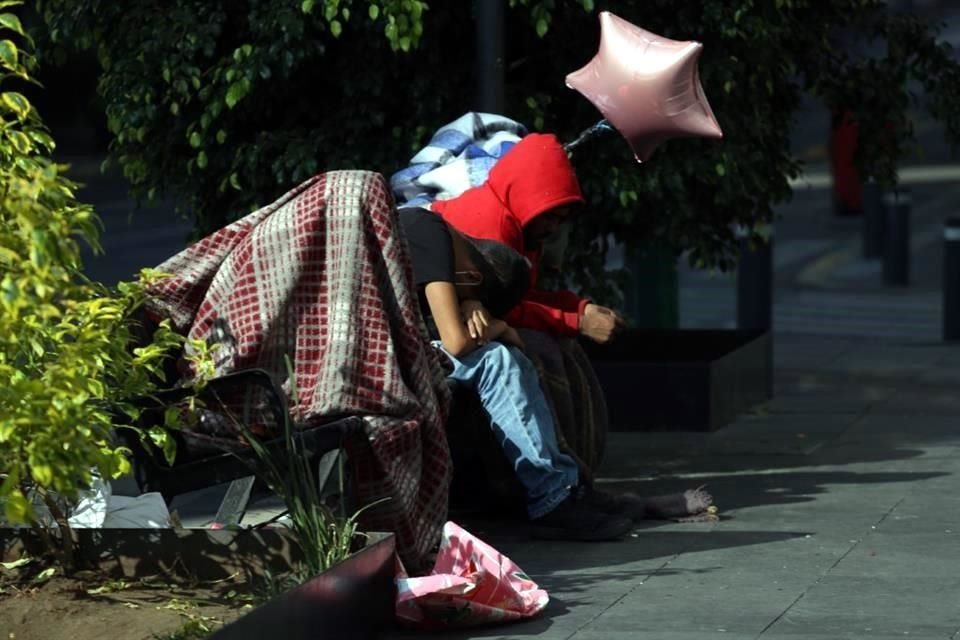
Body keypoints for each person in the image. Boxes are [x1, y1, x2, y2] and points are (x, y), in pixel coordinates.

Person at [429, 132, 715, 521]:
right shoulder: (484, 224)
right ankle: (550, 491)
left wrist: (578, 310)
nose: (556, 224)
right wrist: (570, 320)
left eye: (563, 215)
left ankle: (567, 485)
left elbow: (510, 304)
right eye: (552, 214)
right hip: (442, 337)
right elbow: (472, 332)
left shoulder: (518, 224)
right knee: (526, 355)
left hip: (465, 333)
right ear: (528, 197)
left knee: (553, 348)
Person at [398, 206, 634, 540]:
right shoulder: (429, 229)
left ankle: (562, 486)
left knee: (496, 357)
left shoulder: (419, 240)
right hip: (381, 356)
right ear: (472, 278)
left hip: (391, 349)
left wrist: (473, 305)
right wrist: (500, 327)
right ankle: (553, 495)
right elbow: (455, 342)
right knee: (499, 360)